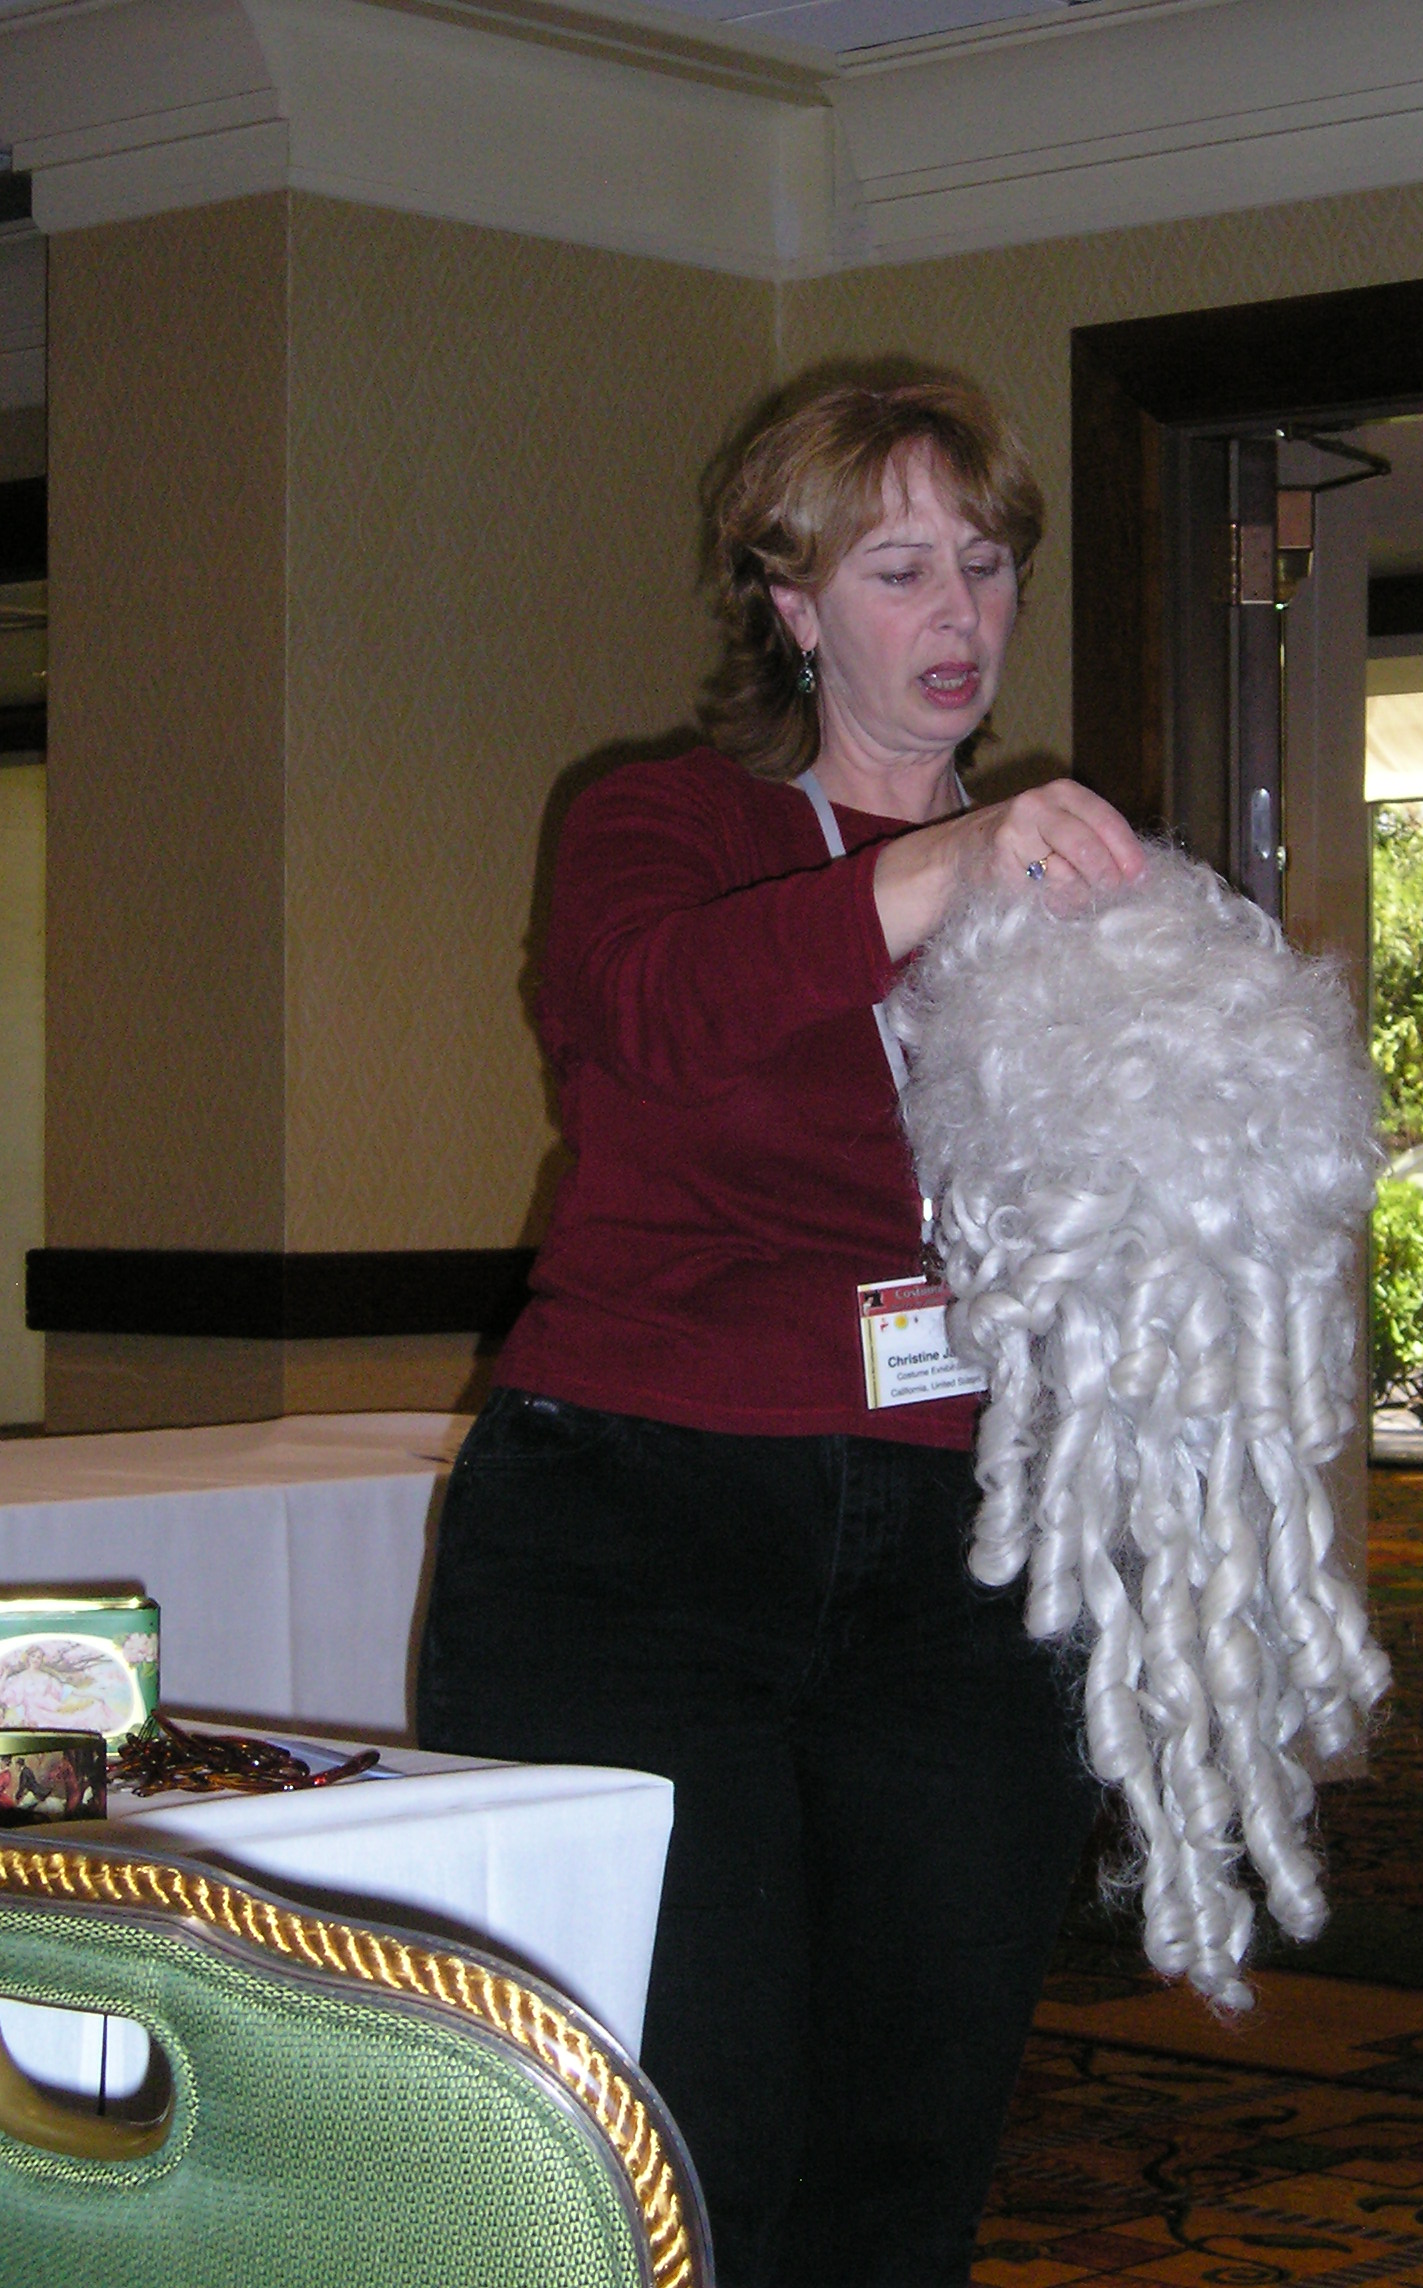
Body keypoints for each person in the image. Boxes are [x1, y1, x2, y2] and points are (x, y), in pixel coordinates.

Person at [417, 371, 1147, 2288]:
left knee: (908, 2153)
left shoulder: (1067, 887)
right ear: (792, 600)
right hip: (639, 1535)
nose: (960, 615)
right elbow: (654, 1016)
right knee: (672, 2140)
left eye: (987, 564)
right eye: (899, 570)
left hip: (963, 1553)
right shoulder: (663, 820)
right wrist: (939, 868)